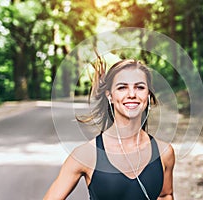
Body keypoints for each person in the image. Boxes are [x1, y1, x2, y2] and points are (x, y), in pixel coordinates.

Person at [44, 57, 175, 200]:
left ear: (148, 94)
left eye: (140, 87)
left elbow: (165, 195)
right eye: (122, 87)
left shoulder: (164, 153)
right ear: (110, 96)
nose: (132, 94)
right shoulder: (86, 155)